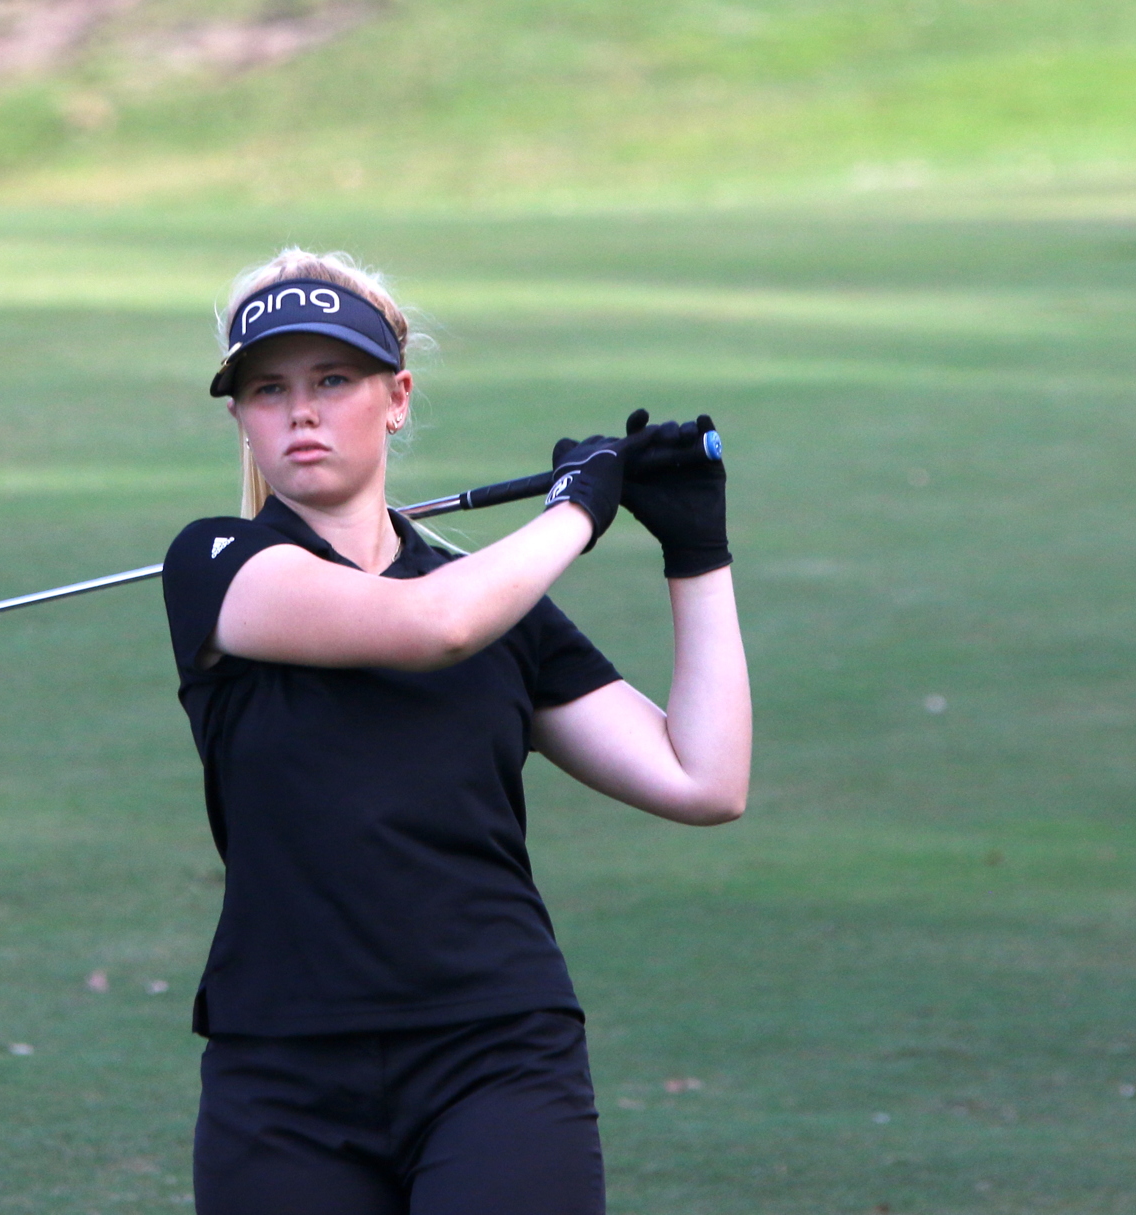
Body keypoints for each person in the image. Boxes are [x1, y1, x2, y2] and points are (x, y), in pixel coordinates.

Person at [159, 249, 751, 1215]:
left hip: (497, 1052)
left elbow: (705, 779)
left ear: (396, 397)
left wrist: (697, 552)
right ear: (241, 416)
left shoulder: (494, 602)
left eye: (333, 380)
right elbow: (430, 627)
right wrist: (577, 510)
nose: (300, 411)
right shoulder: (220, 563)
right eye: (269, 389)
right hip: (281, 1071)